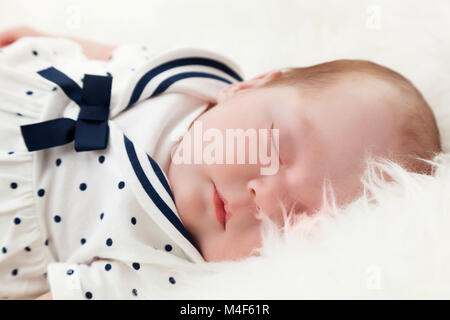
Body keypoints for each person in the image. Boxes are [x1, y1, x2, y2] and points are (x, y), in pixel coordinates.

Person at [0, 26, 441, 299]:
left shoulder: (161, 267)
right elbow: (119, 62)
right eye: (275, 145)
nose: (263, 196)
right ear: (251, 86)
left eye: (295, 219)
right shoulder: (192, 80)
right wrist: (43, 42)